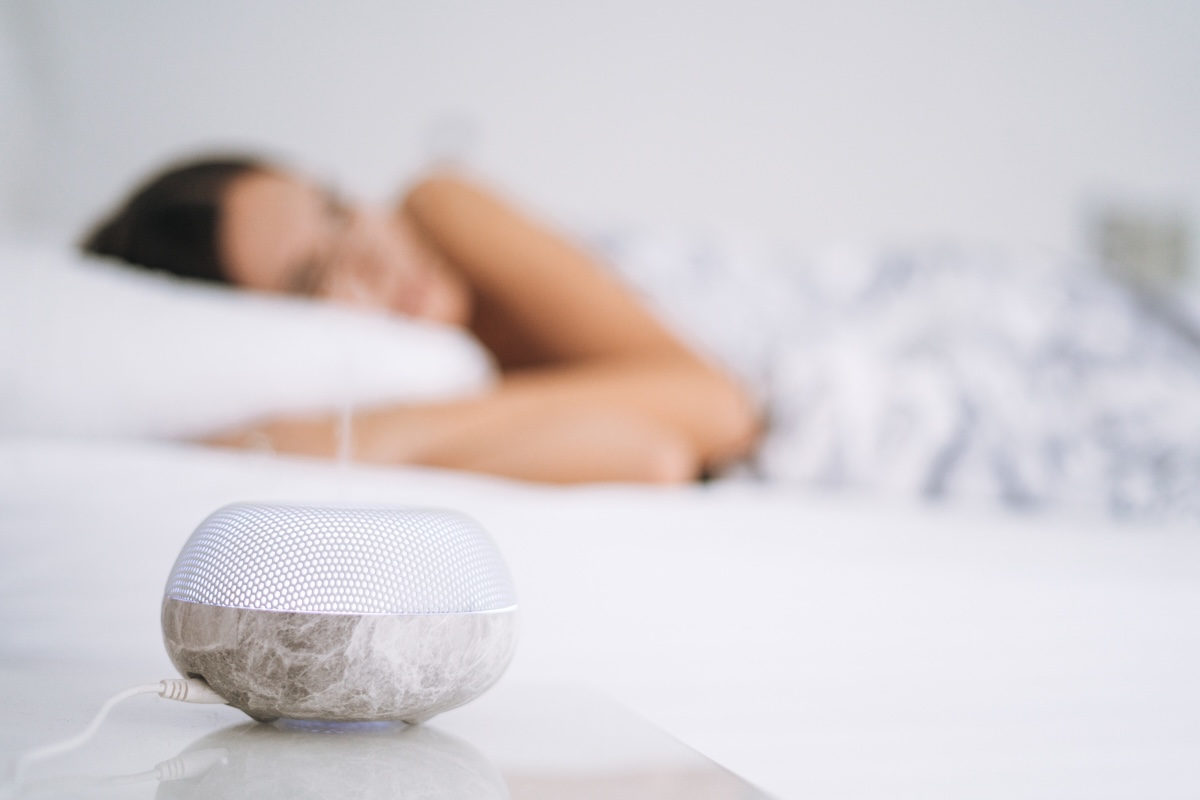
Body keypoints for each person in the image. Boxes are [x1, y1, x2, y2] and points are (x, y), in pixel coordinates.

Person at [82, 156, 760, 484]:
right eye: (315, 277)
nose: (374, 251)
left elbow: (720, 408)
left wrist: (381, 437)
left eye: (341, 208)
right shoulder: (410, 380)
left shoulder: (439, 208)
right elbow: (654, 459)